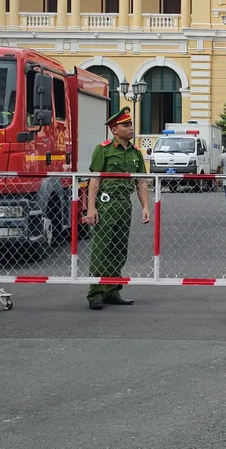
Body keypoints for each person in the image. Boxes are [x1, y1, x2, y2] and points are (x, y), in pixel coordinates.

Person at [83, 106, 150, 310]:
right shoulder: (103, 149)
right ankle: (95, 292)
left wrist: (145, 206)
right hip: (106, 203)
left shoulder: (136, 152)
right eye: (126, 125)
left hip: (124, 204)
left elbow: (141, 181)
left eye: (131, 124)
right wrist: (91, 208)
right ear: (114, 129)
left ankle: (112, 290)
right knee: (101, 249)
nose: (131, 128)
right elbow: (94, 179)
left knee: (119, 249)